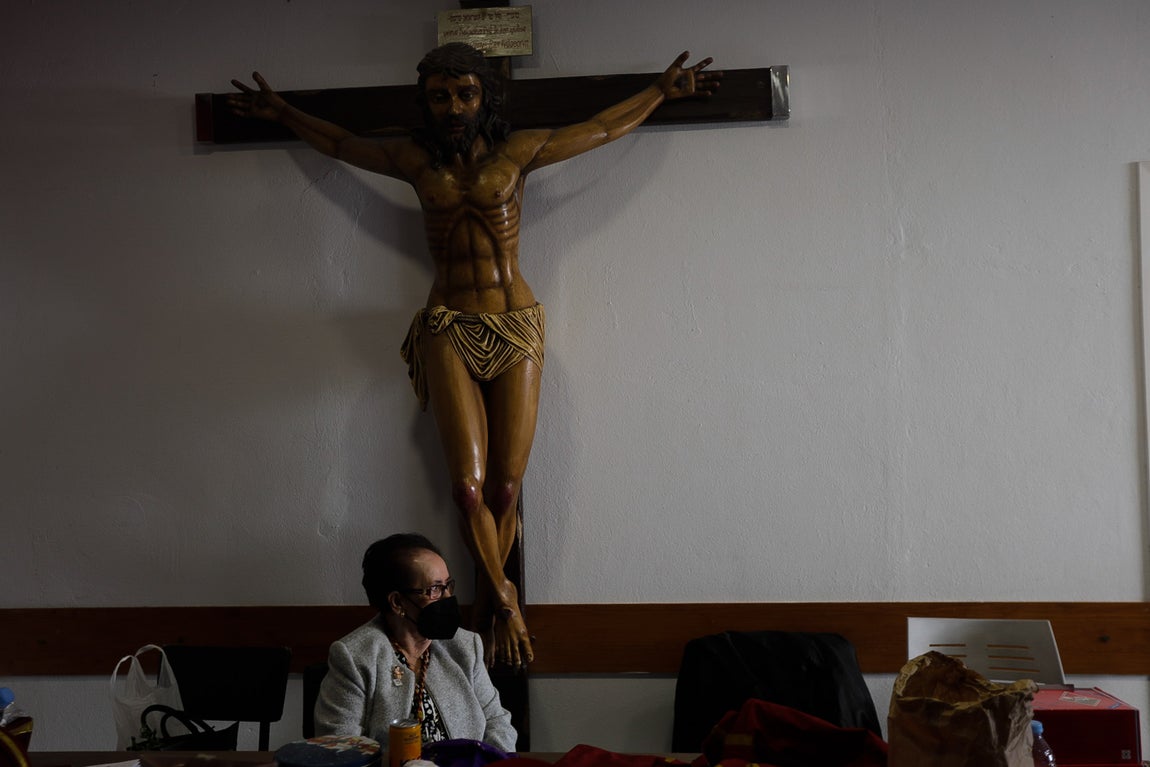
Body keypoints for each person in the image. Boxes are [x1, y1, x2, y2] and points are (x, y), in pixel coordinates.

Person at [228, 45, 720, 668]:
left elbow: (599, 129)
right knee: (466, 490)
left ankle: (485, 607)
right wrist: (284, 114)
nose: (453, 106)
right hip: (447, 325)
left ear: (485, 95)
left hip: (514, 324)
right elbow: (339, 144)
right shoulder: (413, 161)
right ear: (425, 101)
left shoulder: (521, 152)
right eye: (439, 95)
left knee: (507, 485)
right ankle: (505, 602)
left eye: (464, 92)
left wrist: (659, 92)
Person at [314, 533, 516, 750]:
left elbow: (497, 721)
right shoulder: (355, 657)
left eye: (448, 585)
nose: (448, 598)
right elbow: (340, 747)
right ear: (398, 602)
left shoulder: (465, 646)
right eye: (435, 589)